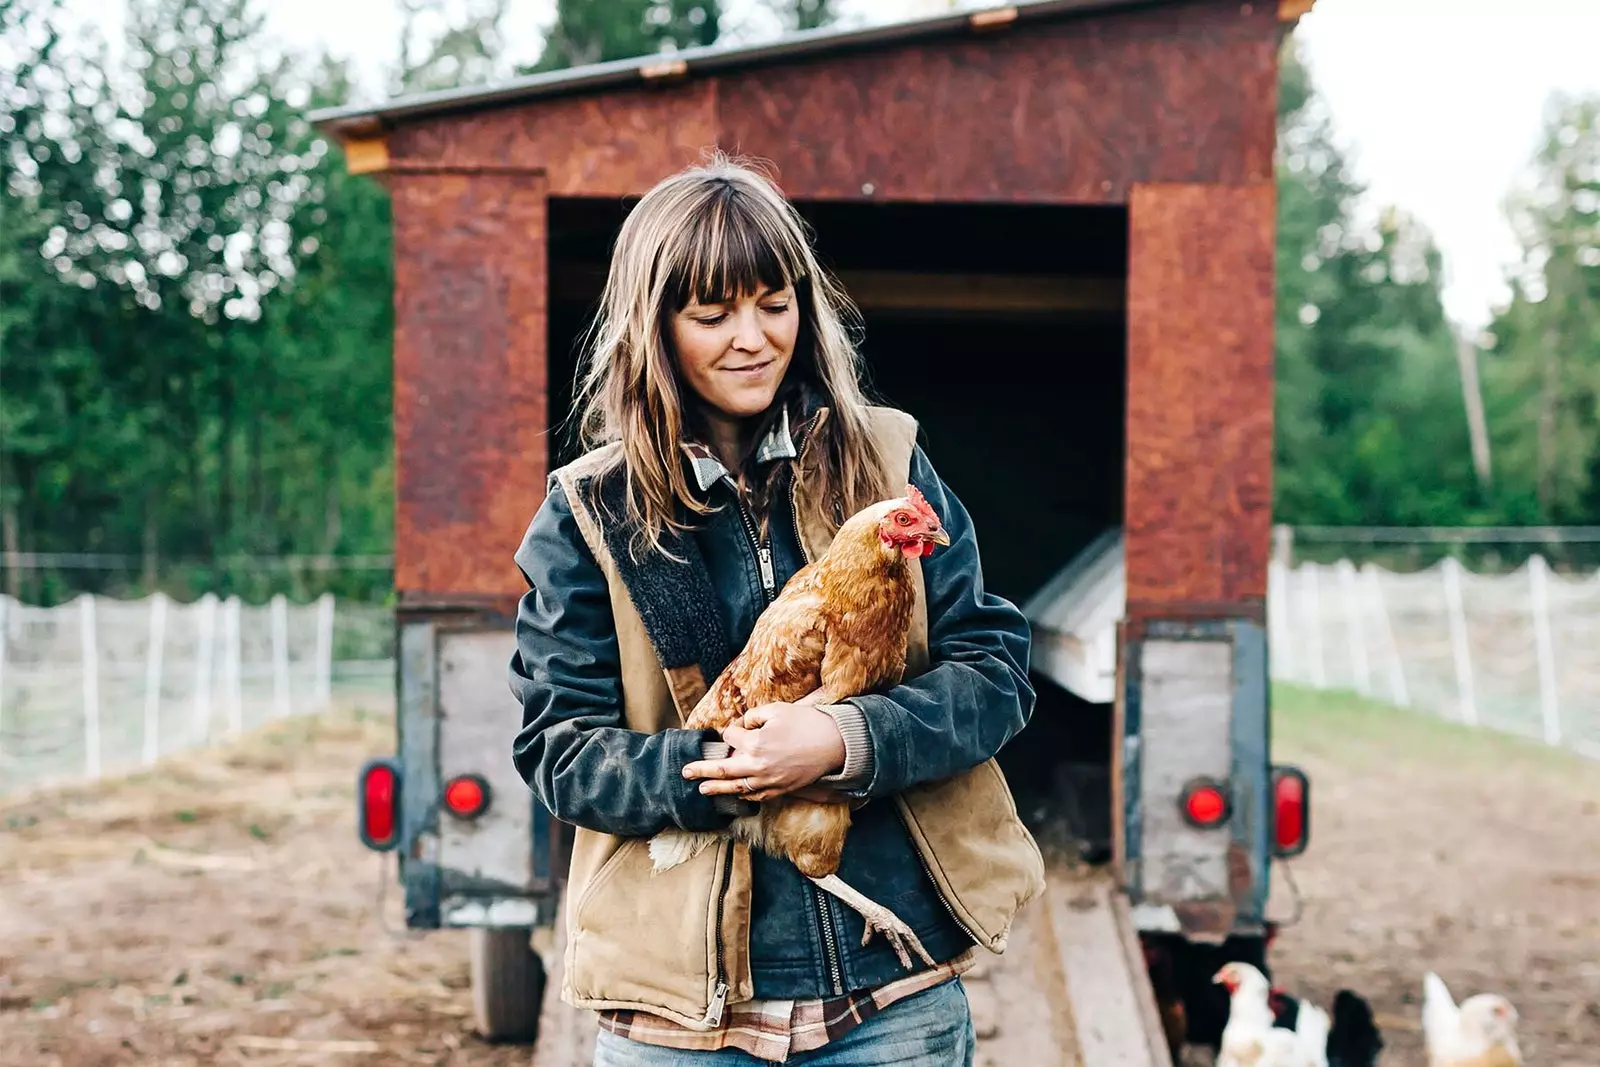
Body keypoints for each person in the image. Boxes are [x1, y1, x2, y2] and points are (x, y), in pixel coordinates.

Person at [508, 155, 1045, 1066]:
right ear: (656, 325)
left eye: (775, 302)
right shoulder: (592, 512)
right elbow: (559, 748)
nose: (752, 337)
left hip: (890, 1003)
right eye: (712, 314)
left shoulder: (889, 459)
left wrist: (844, 740)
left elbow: (994, 672)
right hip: (679, 1024)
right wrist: (730, 763)